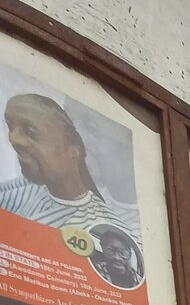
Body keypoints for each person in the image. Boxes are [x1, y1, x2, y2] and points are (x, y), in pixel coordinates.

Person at [0, 93, 139, 237]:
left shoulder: (115, 231)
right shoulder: (31, 186)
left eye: (92, 129)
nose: (14, 139)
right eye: (70, 121)